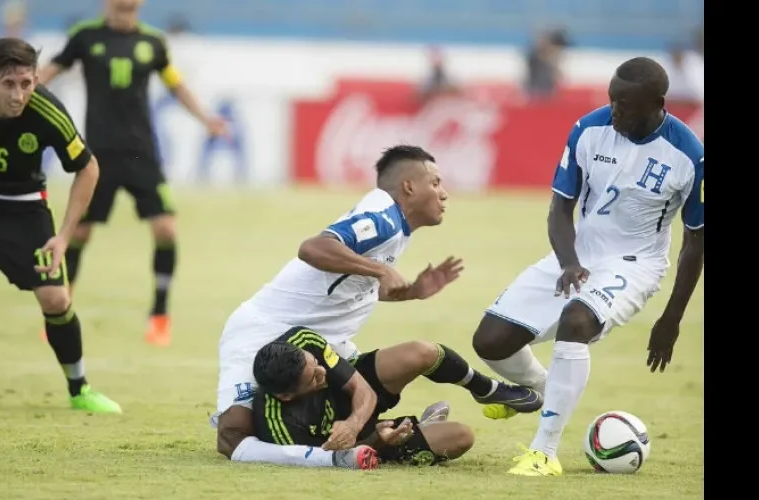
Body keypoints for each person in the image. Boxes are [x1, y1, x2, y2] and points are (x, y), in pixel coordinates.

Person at [212, 145, 543, 468]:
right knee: (234, 437)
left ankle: (480, 392)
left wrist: (411, 291)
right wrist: (381, 270)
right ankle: (358, 447)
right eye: (435, 182)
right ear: (409, 186)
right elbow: (313, 248)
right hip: (263, 331)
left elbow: (349, 286)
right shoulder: (383, 218)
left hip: (321, 347)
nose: (444, 193)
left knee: (417, 355)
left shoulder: (396, 228)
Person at [470, 57, 704, 476]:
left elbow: (697, 239)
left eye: (626, 105)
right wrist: (569, 262)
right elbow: (560, 208)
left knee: (575, 322)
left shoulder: (689, 155)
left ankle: (544, 452)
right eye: (612, 100)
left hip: (635, 264)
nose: (615, 111)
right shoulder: (588, 129)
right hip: (578, 255)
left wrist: (671, 318)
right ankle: (543, 390)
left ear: (658, 103)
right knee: (489, 341)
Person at [38, 0, 228, 346]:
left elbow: (176, 85)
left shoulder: (153, 43)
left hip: (142, 153)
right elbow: (51, 70)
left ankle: (159, 314)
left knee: (166, 229)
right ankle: (60, 308)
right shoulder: (85, 36)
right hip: (97, 154)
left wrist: (205, 118)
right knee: (79, 233)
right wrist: (25, 92)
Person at [0, 37, 121, 413]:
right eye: (8, 84)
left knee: (56, 298)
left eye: (26, 83)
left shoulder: (47, 112)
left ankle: (79, 389)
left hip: (22, 207)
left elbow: (88, 167)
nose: (19, 95)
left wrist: (64, 237)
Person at [253, 328, 495, 469]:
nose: (323, 373)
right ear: (285, 395)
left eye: (316, 365)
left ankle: (489, 389)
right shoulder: (278, 429)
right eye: (313, 380)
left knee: (420, 352)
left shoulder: (303, 340)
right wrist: (376, 439)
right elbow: (335, 460)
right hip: (358, 442)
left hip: (355, 402)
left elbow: (362, 388)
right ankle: (420, 428)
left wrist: (353, 423)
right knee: (461, 436)